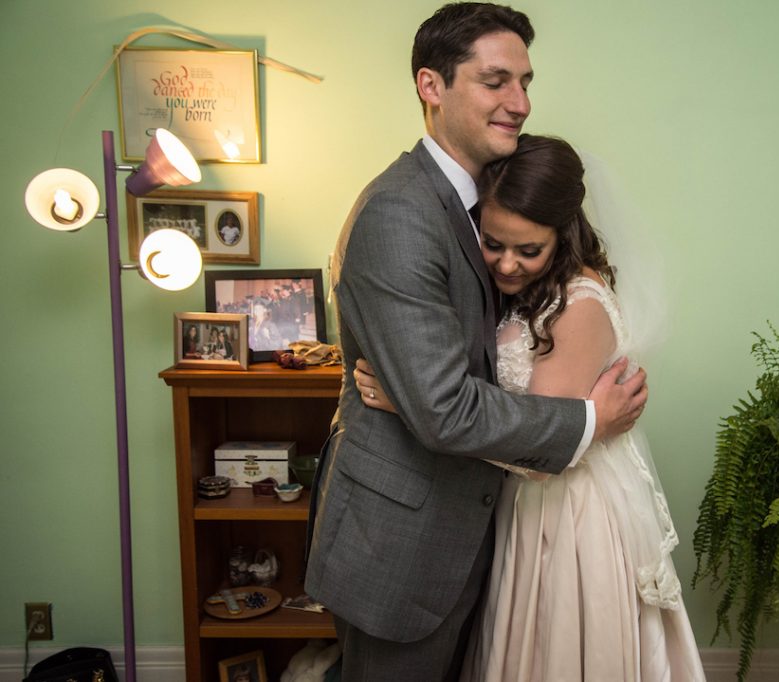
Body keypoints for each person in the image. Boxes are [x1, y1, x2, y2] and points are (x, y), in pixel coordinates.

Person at [303, 4, 648, 681]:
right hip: (401, 551)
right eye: (496, 82)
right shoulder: (402, 214)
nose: (518, 103)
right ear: (432, 86)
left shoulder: (483, 203)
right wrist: (590, 419)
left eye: (524, 82)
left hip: (480, 532)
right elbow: (444, 409)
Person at [357, 135, 706, 681]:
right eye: (494, 244)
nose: (507, 264)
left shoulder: (577, 306)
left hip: (565, 515)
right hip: (529, 507)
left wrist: (414, 406)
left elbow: (536, 449)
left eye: (529, 250)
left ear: (562, 236)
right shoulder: (533, 291)